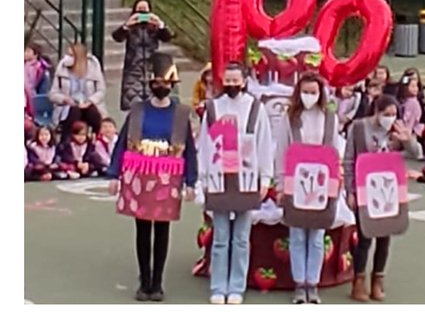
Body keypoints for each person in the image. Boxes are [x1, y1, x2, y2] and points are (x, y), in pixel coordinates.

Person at [107, 53, 196, 301]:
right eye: (156, 81)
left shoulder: (180, 114)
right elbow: (122, 143)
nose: (161, 86)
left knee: (163, 229)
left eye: (165, 82)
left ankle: (157, 282)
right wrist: (114, 174)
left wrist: (191, 180)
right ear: (150, 84)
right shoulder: (137, 111)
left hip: (168, 176)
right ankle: (144, 280)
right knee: (143, 229)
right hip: (140, 174)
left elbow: (189, 147)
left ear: (172, 85)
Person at [198, 60, 274, 305]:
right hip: (219, 178)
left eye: (235, 80)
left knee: (241, 237)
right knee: (221, 237)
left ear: (244, 81)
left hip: (247, 178)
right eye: (227, 80)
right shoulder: (212, 108)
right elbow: (204, 145)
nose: (231, 85)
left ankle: (237, 287)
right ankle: (219, 286)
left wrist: (265, 177)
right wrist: (203, 179)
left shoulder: (255, 108)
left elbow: (264, 143)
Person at [277, 71, 342, 304]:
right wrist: (280, 184)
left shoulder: (330, 118)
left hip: (322, 186)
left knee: (316, 236)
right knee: (296, 235)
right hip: (296, 184)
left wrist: (335, 185)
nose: (309, 96)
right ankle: (299, 283)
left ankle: (312, 283)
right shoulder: (290, 118)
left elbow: (335, 153)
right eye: (305, 92)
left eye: (313, 92)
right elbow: (281, 152)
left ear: (321, 93)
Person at [344, 94, 407, 302]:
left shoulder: (396, 131)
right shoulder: (359, 128)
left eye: (394, 115)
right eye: (386, 114)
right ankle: (358, 281)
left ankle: (378, 280)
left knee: (384, 238)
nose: (390, 118)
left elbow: (417, 153)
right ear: (377, 112)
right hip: (365, 189)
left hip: (388, 189)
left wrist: (407, 140)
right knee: (364, 238)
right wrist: (350, 191)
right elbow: (349, 160)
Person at [113, 0, 173, 111]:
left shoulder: (154, 28)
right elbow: (117, 37)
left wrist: (160, 24)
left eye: (145, 10)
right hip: (133, 70)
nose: (142, 14)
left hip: (151, 69)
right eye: (139, 10)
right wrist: (127, 25)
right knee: (134, 107)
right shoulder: (130, 27)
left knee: (153, 105)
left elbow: (168, 37)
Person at [50, 40, 107, 132]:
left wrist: (90, 101)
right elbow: (53, 94)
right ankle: (66, 141)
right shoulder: (62, 68)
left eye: (71, 56)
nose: (67, 58)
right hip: (68, 106)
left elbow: (101, 91)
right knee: (74, 112)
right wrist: (65, 99)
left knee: (93, 113)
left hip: (89, 104)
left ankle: (98, 140)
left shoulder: (93, 66)